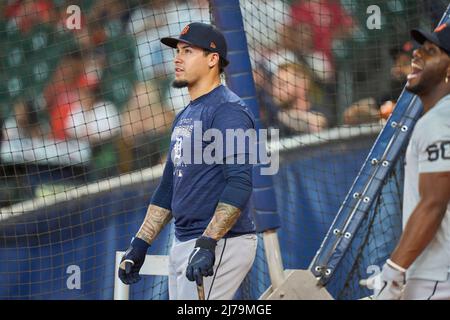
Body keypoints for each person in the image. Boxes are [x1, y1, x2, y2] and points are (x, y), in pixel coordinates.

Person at [118, 22, 257, 300]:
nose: (177, 58)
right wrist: (140, 243)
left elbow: (240, 183)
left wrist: (208, 243)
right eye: (178, 51)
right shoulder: (185, 115)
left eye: (189, 51)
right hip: (184, 241)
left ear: (212, 59)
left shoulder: (227, 109)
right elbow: (168, 187)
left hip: (220, 243)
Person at [361, 24, 450, 300]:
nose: (417, 56)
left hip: (437, 274)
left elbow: (434, 204)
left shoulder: (440, 120)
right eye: (420, 49)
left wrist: (393, 270)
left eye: (431, 51)